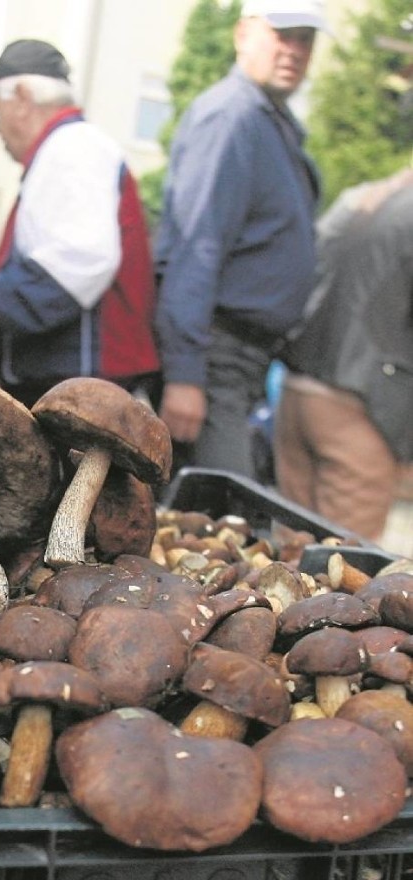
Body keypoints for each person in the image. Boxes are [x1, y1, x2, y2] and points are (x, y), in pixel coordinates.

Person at [154, 0, 328, 479]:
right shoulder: (231, 118)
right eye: (283, 34)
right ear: (243, 34)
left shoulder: (270, 122)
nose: (294, 50)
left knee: (222, 522)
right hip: (215, 357)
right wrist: (186, 374)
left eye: (305, 39)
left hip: (241, 361)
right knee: (226, 523)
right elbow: (197, 246)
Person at [0, 39, 160, 409]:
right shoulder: (68, 148)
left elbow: (81, 257)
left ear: (23, 98)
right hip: (72, 379)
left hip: (77, 385)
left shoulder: (71, 148)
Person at [273, 167, 413, 541]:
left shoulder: (362, 195)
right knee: (346, 573)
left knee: (290, 556)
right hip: (362, 404)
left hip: (299, 386)